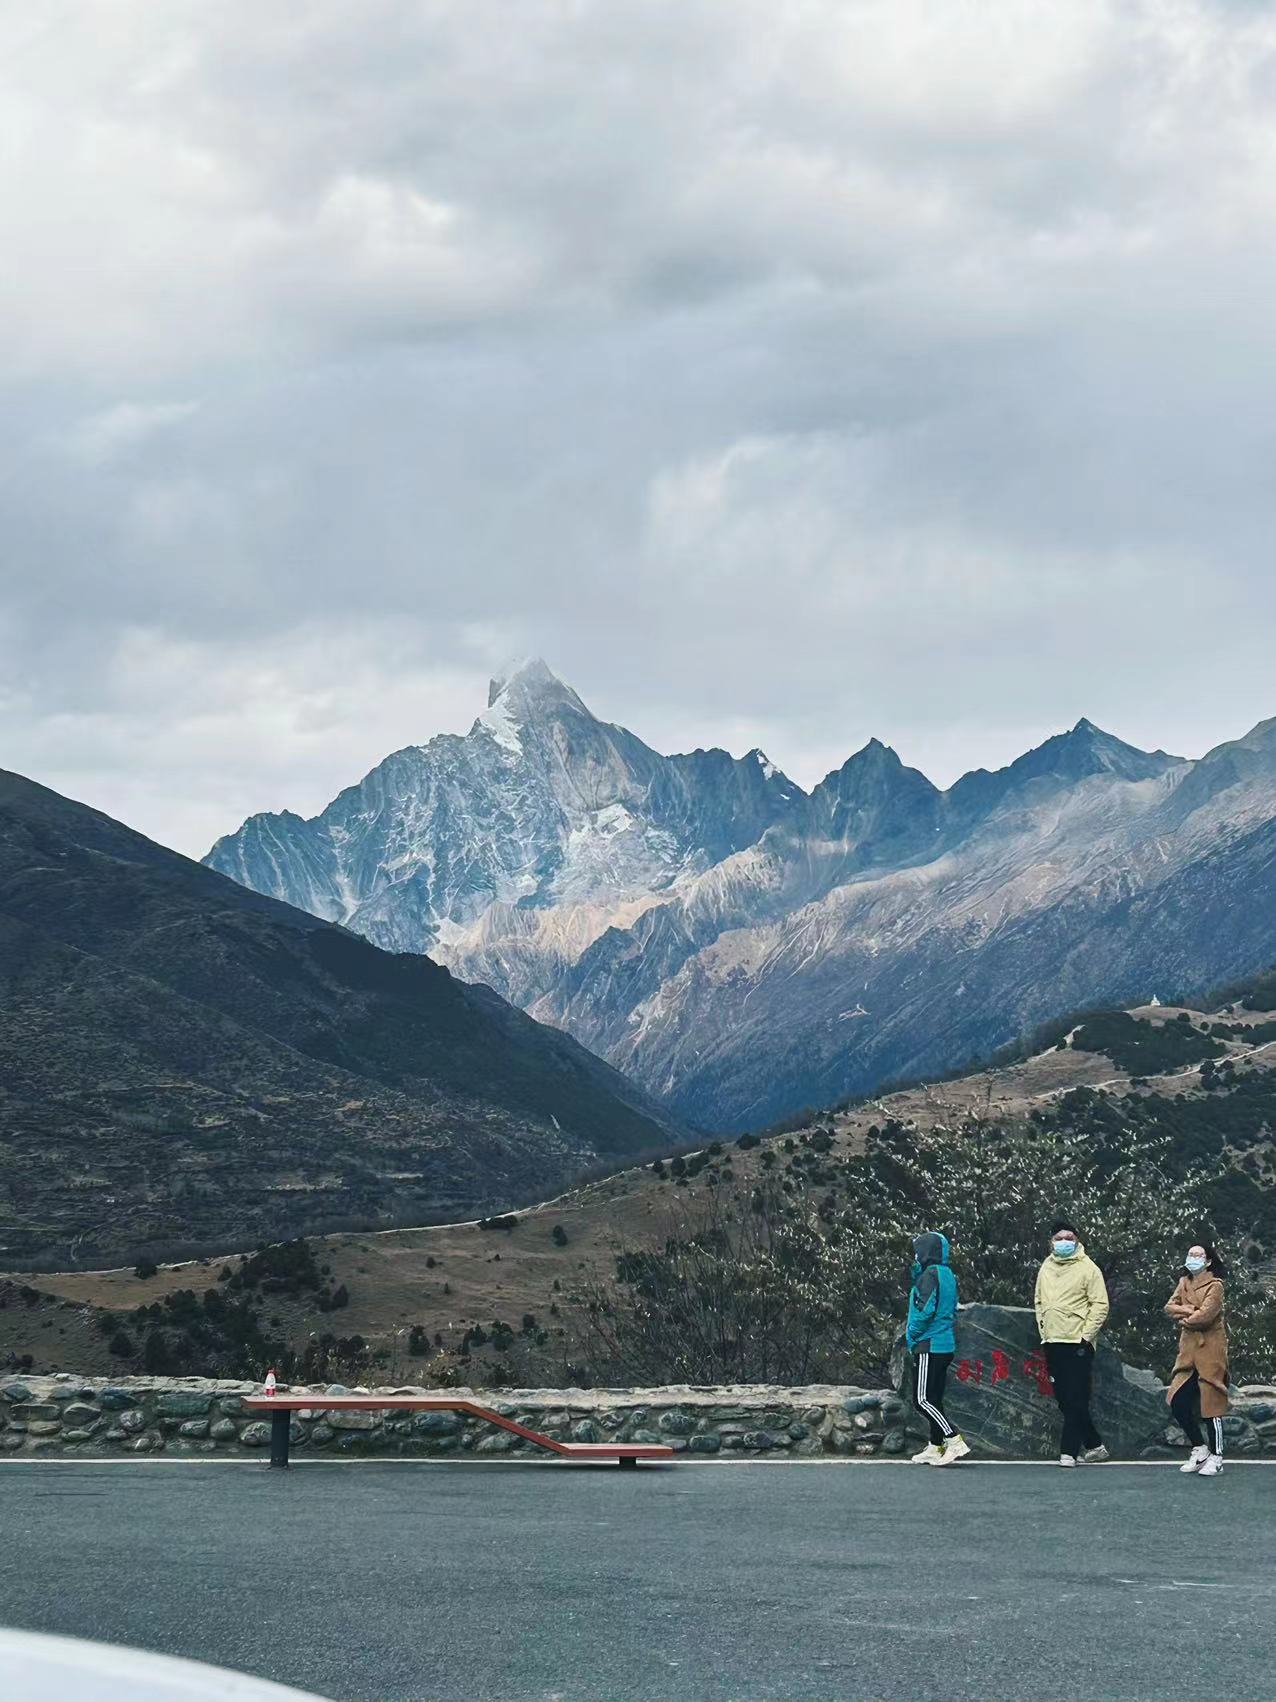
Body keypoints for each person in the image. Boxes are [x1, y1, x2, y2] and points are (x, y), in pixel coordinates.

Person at [1034, 1218, 1110, 1466]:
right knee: (1063, 1398)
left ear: (1078, 1241)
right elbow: (1038, 1301)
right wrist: (1043, 1328)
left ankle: (1068, 1452)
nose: (1064, 1242)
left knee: (1077, 1396)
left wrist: (1085, 1336)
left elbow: (1100, 1305)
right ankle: (1095, 1445)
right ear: (1051, 1242)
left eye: (1069, 1238)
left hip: (1077, 1341)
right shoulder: (1046, 1266)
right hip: (1052, 1339)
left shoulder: (1089, 1268)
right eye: (1059, 1238)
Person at [905, 1231, 970, 1466]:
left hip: (928, 1344)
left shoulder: (929, 1275)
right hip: (944, 1344)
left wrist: (911, 1335)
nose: (915, 1255)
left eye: (918, 1250)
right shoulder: (947, 1274)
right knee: (935, 1397)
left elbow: (924, 1311)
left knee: (922, 1399)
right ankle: (935, 1445)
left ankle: (953, 1440)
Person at [1165, 1242, 1229, 1478]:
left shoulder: (1216, 1285)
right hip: (1188, 1351)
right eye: (1190, 1254)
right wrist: (1190, 1310)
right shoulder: (1184, 1283)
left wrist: (1185, 1315)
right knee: (1178, 1401)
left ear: (1208, 1261)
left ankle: (1217, 1455)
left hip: (1210, 1350)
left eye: (1198, 1255)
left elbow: (1206, 1316)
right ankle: (1199, 1448)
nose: (1193, 1258)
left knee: (1211, 1404)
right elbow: (1170, 1307)